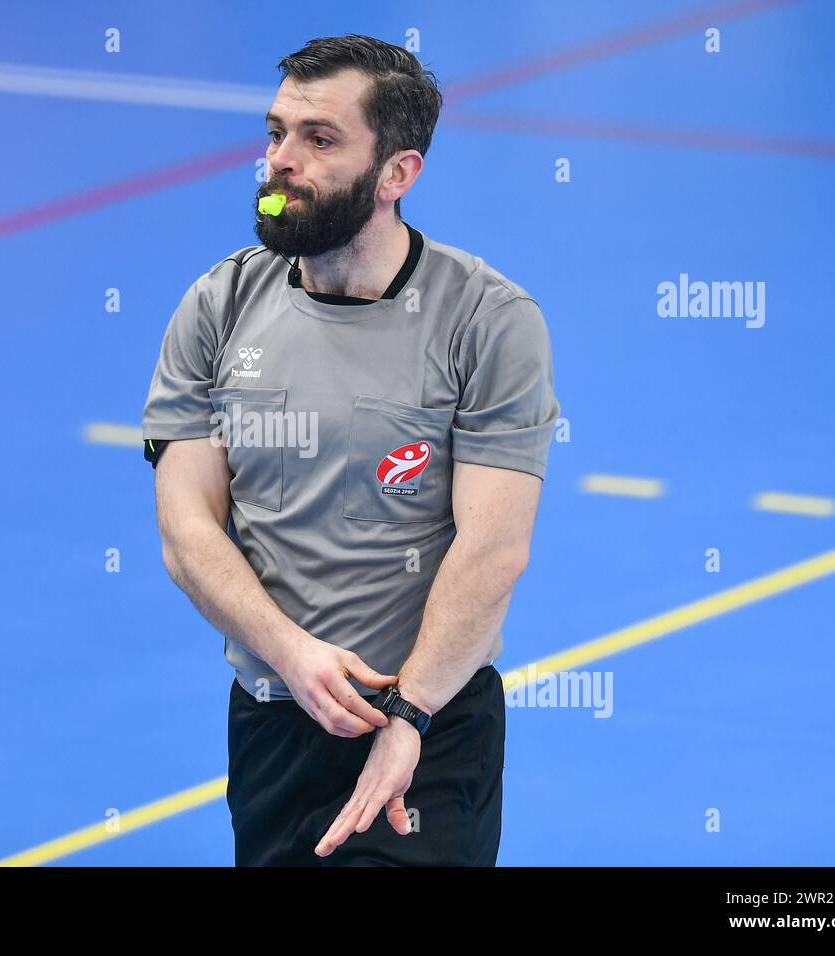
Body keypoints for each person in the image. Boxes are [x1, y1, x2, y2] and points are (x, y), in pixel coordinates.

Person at [141, 34, 559, 866]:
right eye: (275, 133)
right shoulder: (218, 305)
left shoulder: (488, 320)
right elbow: (188, 532)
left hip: (428, 725)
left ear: (397, 174)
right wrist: (293, 656)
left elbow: (494, 550)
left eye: (319, 140)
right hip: (271, 717)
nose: (280, 162)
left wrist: (407, 715)